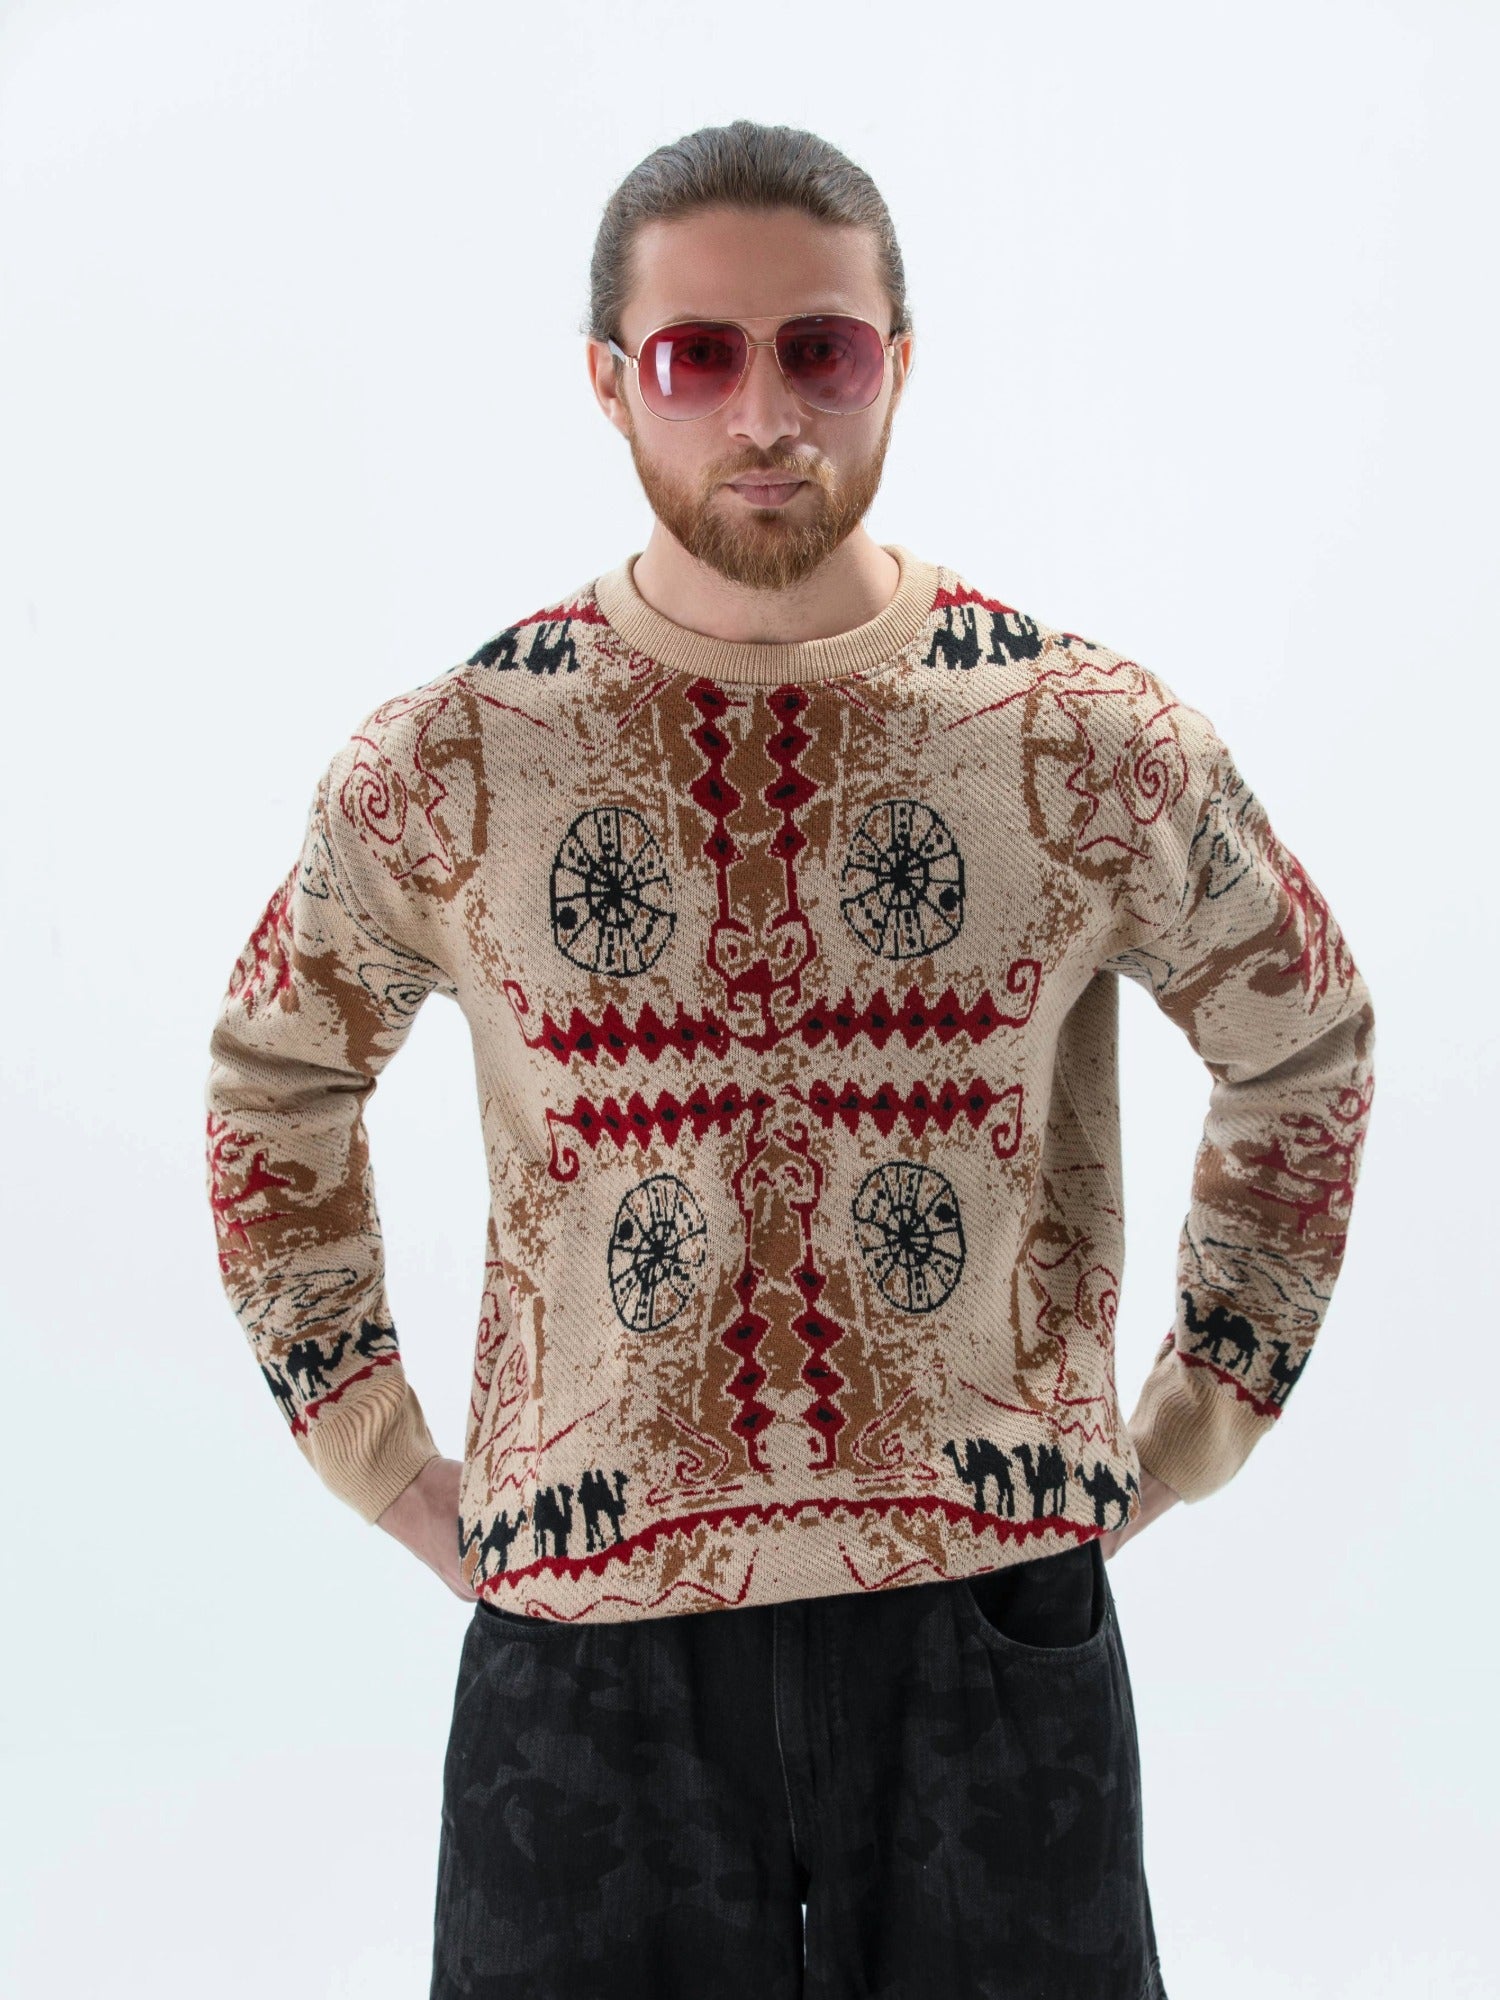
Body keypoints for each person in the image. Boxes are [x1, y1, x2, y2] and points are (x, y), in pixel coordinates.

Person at [203, 120, 1376, 2000]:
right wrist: (378, 1451)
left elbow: (1301, 1034)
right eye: (701, 356)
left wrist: (1196, 1422)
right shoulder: (453, 761)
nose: (767, 415)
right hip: (587, 1633)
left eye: (819, 350)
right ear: (611, 381)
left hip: (990, 1622)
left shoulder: (1081, 736)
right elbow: (277, 1079)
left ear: (896, 361)